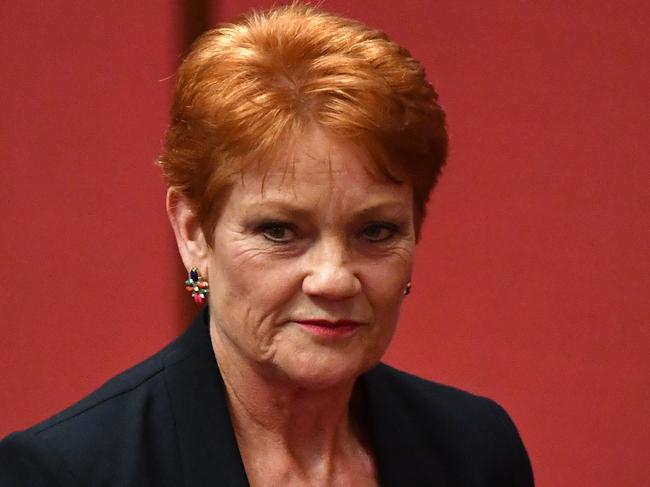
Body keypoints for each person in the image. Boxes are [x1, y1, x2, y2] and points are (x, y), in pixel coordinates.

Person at [0, 3, 534, 486]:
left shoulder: (475, 452)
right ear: (193, 233)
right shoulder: (65, 473)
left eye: (376, 232)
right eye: (279, 231)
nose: (334, 278)